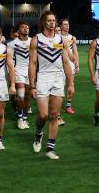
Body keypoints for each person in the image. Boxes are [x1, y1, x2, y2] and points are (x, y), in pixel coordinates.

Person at [28, 11, 74, 160]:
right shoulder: (36, 40)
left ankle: (50, 149)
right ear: (43, 22)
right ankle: (38, 133)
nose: (52, 23)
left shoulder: (62, 40)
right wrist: (32, 85)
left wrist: (71, 83)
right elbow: (33, 63)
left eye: (54, 20)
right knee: (43, 114)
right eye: (49, 20)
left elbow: (66, 62)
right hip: (43, 78)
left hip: (58, 78)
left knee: (54, 115)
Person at [7, 22, 32, 130]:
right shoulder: (12, 44)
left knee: (26, 96)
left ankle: (25, 118)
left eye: (27, 27)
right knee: (20, 95)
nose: (26, 29)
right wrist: (10, 73)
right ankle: (20, 118)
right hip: (18, 70)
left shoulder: (33, 41)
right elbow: (10, 60)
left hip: (30, 71)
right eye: (23, 27)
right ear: (18, 30)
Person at [60, 19, 79, 115]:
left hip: (70, 63)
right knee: (60, 85)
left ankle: (68, 105)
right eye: (65, 24)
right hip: (59, 64)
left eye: (68, 24)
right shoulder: (57, 37)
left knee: (71, 84)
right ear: (61, 26)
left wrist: (77, 63)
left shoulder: (72, 38)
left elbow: (75, 52)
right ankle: (55, 104)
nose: (67, 26)